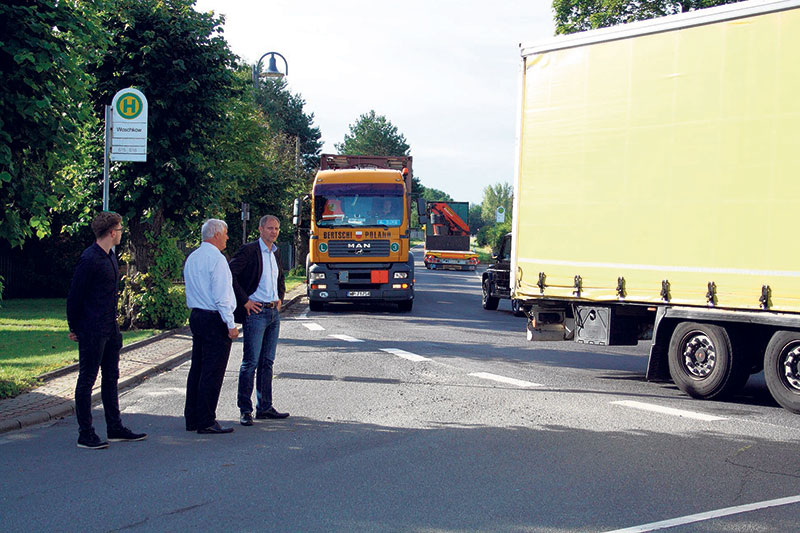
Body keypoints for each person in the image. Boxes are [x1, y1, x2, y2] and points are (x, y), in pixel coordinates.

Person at [67, 211, 147, 450]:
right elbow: (75, 296)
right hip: (92, 329)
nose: (121, 233)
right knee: (87, 379)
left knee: (111, 377)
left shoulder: (110, 257)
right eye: (120, 229)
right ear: (112, 232)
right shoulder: (89, 259)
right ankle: (86, 433)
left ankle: (115, 426)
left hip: (110, 328)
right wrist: (74, 327)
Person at [229, 215, 288, 426]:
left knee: (267, 363)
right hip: (256, 312)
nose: (274, 232)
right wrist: (244, 300)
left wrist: (280, 296)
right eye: (270, 228)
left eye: (277, 229)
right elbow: (230, 274)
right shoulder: (250, 250)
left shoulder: (276, 252)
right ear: (260, 229)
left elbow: (280, 277)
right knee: (250, 362)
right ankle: (245, 409)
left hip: (273, 312)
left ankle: (265, 407)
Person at [183, 219, 239, 434]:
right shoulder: (217, 259)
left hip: (197, 315)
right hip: (214, 318)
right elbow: (222, 295)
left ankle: (193, 417)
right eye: (225, 233)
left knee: (197, 367)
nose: (226, 237)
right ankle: (206, 419)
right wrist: (230, 323)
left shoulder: (193, 257)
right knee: (212, 371)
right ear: (216, 234)